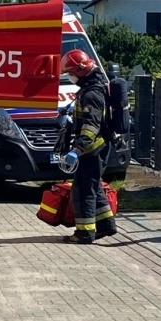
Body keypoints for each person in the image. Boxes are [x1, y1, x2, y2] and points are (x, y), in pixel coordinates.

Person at [59, 49, 118, 245]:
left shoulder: (92, 93)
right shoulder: (93, 88)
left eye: (71, 73)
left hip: (93, 149)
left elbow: (90, 126)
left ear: (80, 72)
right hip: (97, 148)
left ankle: (84, 233)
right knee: (93, 186)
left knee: (83, 190)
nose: (70, 77)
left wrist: (77, 150)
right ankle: (106, 225)